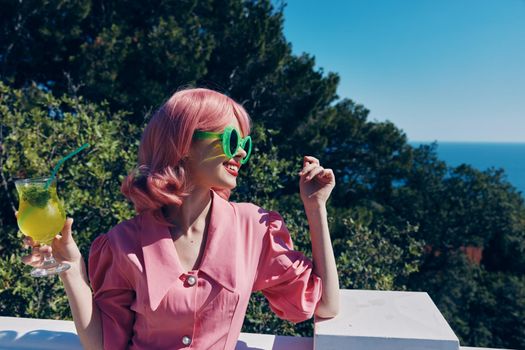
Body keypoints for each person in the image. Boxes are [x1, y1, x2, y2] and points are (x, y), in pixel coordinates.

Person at [20, 87, 340, 350]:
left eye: (245, 144)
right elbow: (104, 344)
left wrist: (315, 208)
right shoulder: (123, 242)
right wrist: (72, 269)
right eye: (231, 141)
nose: (241, 153)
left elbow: (323, 304)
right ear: (184, 143)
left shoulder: (253, 228)